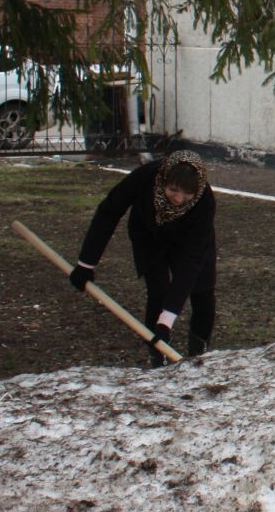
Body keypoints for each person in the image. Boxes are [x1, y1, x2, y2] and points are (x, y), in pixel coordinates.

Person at [69, 149, 217, 365]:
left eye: (187, 194)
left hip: (189, 241)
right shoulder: (146, 176)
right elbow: (109, 212)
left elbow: (191, 261)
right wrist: (85, 264)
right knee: (159, 290)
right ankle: (158, 355)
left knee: (202, 290)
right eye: (173, 189)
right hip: (148, 235)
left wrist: (167, 320)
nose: (178, 199)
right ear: (162, 179)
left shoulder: (205, 202)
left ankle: (198, 355)